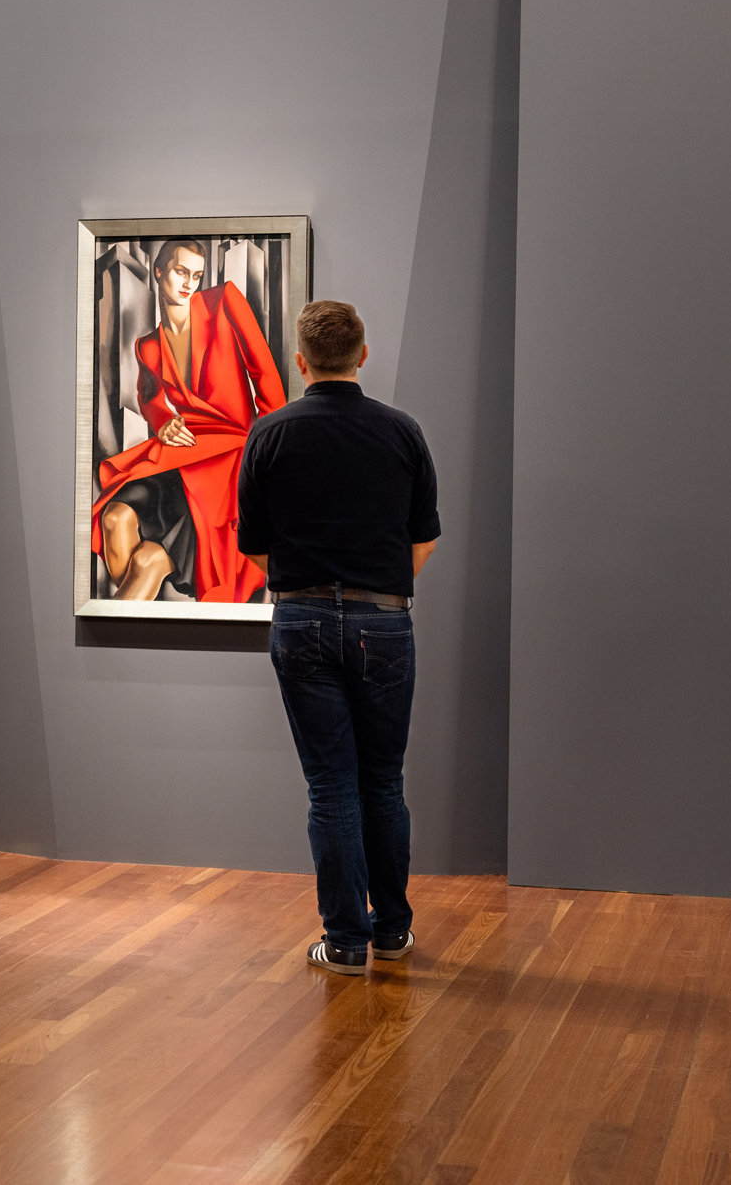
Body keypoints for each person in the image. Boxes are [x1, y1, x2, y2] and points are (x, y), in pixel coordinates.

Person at [236, 301, 440, 976]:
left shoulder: (268, 435)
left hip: (300, 621)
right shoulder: (402, 432)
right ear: (364, 355)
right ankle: (393, 931)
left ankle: (346, 941)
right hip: (385, 621)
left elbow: (256, 549)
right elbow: (423, 540)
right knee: (383, 780)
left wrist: (312, 590)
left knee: (331, 786)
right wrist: (373, 592)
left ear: (300, 361)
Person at [93, 239, 286, 602]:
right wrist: (164, 420)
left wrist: (265, 453)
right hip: (182, 451)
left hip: (229, 456)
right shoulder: (148, 346)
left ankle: (131, 616)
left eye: (196, 275)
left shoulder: (225, 301)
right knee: (114, 519)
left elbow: (266, 377)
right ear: (159, 271)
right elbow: (148, 399)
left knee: (150, 560)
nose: (189, 283)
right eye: (181, 272)